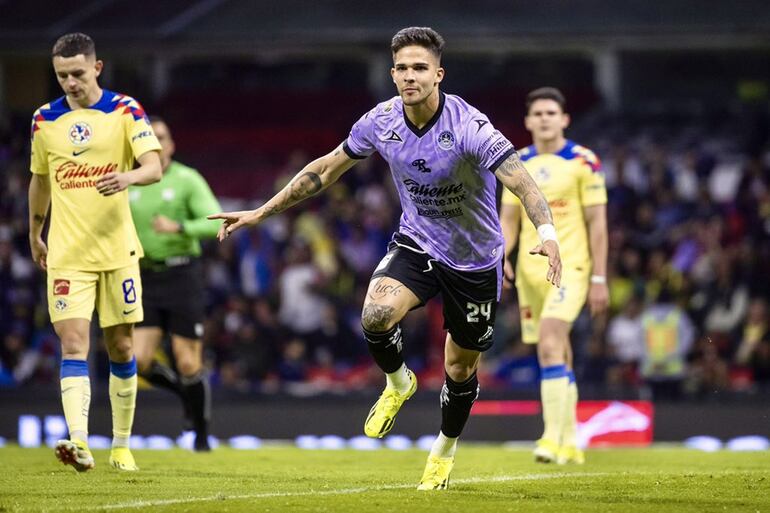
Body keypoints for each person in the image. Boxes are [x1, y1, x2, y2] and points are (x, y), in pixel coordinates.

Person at [209, 27, 561, 490]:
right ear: (392, 73)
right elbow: (326, 169)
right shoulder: (380, 121)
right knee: (375, 314)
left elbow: (521, 180)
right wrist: (261, 211)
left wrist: (548, 233)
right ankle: (398, 382)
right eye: (402, 68)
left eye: (420, 68)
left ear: (439, 74)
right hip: (418, 242)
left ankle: (444, 449)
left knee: (460, 367)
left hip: (474, 260)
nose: (410, 76)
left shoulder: (469, 125)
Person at [28, 33, 162, 472]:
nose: (70, 82)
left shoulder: (125, 110)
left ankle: (121, 445)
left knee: (122, 348)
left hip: (117, 251)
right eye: (62, 75)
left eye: (78, 74)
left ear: (97, 68)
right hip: (67, 253)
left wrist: (127, 178)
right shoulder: (43, 120)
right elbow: (40, 180)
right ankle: (80, 443)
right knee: (72, 344)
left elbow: (153, 167)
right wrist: (35, 231)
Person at [500, 87, 608, 465]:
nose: (544, 118)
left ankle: (549, 437)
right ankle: (571, 442)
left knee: (549, 340)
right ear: (528, 121)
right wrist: (502, 256)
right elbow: (509, 220)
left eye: (551, 112)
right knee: (558, 349)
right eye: (538, 113)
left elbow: (598, 224)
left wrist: (599, 278)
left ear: (564, 119)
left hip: (572, 267)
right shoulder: (515, 164)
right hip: (532, 273)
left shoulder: (584, 162)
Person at [128, 117, 222, 451]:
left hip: (182, 276)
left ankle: (200, 433)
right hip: (144, 276)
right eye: (149, 138)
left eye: (162, 137)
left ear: (171, 145)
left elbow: (215, 223)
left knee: (187, 362)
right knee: (137, 361)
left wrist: (180, 228)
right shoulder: (131, 182)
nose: (156, 143)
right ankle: (185, 393)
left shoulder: (187, 179)